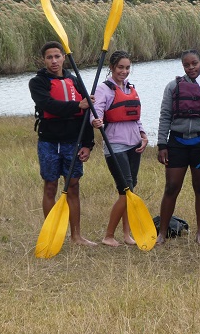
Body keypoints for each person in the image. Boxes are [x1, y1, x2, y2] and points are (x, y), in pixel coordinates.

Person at [28, 41, 96, 246]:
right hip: (49, 142)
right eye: (49, 57)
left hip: (72, 142)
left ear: (63, 57)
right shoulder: (37, 82)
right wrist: (78, 105)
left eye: (57, 56)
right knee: (50, 186)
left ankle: (76, 236)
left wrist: (88, 144)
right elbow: (48, 105)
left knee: (73, 186)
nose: (54, 61)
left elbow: (86, 113)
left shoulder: (75, 81)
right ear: (44, 60)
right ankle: (51, 236)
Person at [156, 49, 200, 244]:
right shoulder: (173, 87)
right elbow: (165, 116)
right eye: (187, 65)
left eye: (195, 63)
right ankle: (162, 233)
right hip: (177, 142)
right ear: (183, 66)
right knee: (171, 187)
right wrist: (162, 144)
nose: (191, 67)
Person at [90, 51, 149, 247]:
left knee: (130, 190)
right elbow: (96, 112)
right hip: (115, 145)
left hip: (134, 143)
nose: (124, 71)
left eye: (127, 68)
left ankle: (126, 234)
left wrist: (143, 135)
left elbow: (135, 117)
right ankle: (108, 235)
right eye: (120, 67)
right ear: (112, 68)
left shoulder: (130, 88)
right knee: (126, 190)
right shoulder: (103, 89)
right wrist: (95, 121)